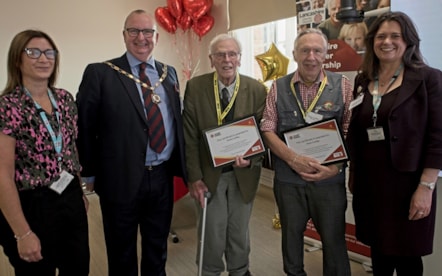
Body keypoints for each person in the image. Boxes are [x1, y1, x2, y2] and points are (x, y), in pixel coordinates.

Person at [76, 9, 187, 276]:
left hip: (161, 178)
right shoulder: (101, 73)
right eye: (134, 31)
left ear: (156, 37)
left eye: (147, 31)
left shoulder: (168, 73)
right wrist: (88, 173)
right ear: (124, 36)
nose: (141, 37)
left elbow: (176, 121)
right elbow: (85, 127)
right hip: (119, 178)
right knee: (121, 251)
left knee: (157, 249)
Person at [346, 12, 442, 276]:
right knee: (379, 251)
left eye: (395, 36)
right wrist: (353, 172)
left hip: (408, 184)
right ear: (372, 41)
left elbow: (438, 137)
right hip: (370, 183)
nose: (387, 42)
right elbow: (357, 129)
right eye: (380, 36)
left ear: (408, 41)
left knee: (408, 254)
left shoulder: (429, 79)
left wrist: (426, 187)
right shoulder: (363, 80)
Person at [260, 28, 353, 276]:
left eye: (317, 50)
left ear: (325, 54)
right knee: (291, 239)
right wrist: (293, 158)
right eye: (304, 50)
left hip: (329, 180)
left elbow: (349, 131)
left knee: (334, 241)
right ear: (294, 54)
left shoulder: (342, 85)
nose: (311, 56)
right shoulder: (277, 87)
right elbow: (268, 128)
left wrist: (334, 168)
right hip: (289, 181)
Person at [0, 30, 89, 275]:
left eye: (49, 52)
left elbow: (70, 150)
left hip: (69, 197)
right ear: (17, 59)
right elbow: (2, 174)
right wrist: (23, 232)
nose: (43, 58)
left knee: (79, 268)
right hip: (31, 204)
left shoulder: (65, 99)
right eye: (33, 52)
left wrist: (79, 191)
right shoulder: (8, 106)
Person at [183, 34, 267, 276]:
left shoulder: (256, 89)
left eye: (232, 54)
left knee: (239, 231)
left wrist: (252, 158)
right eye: (220, 54)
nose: (226, 59)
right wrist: (194, 177)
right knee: (212, 231)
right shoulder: (196, 87)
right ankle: (209, 271)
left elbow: (264, 132)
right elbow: (189, 135)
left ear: (240, 58)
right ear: (211, 60)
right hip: (208, 175)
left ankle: (240, 271)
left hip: (244, 173)